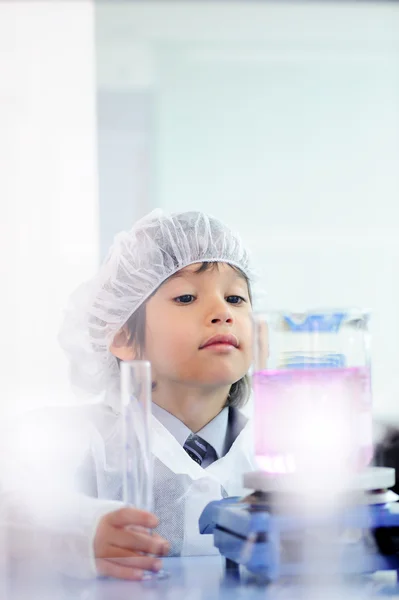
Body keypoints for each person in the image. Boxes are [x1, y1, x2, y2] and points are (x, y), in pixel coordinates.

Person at [2, 209, 257, 580]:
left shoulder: (286, 453)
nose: (222, 312)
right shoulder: (75, 441)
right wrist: (74, 534)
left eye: (236, 299)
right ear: (121, 336)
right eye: (186, 297)